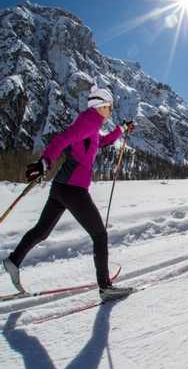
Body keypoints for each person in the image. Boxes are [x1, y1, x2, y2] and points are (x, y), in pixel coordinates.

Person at [2, 87, 135, 301]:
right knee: (99, 235)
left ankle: (13, 261)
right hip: (74, 189)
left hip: (61, 188)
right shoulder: (89, 122)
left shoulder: (91, 125)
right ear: (101, 106)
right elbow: (63, 139)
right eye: (110, 107)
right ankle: (105, 287)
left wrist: (121, 129)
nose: (111, 111)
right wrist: (45, 161)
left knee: (41, 231)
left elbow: (100, 142)